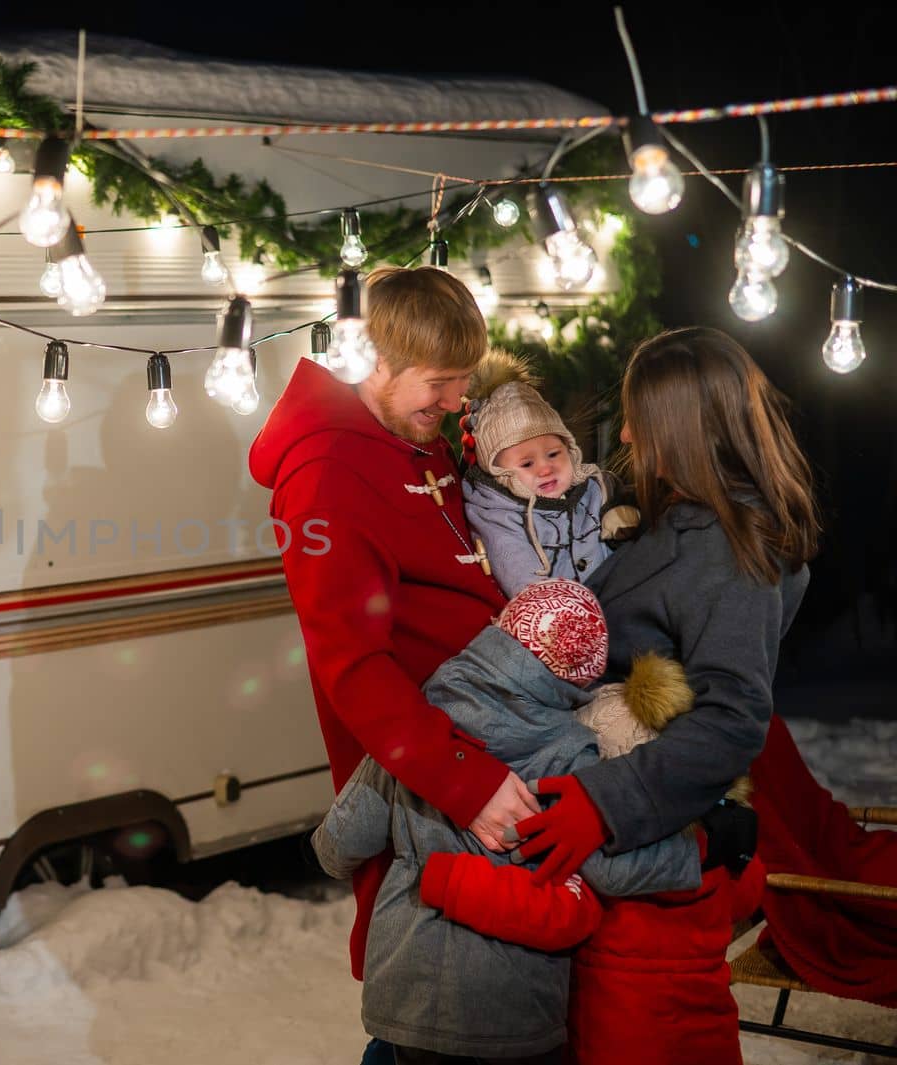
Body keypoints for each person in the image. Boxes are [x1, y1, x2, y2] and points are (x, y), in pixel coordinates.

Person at [513, 328, 897, 1007]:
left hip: (669, 787)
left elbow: (731, 713)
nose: (626, 436)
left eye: (638, 418)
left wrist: (607, 805)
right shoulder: (686, 526)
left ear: (678, 427)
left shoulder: (723, 549)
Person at [250, 267, 536, 1065]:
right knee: (433, 1009)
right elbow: (353, 667)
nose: (452, 400)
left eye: (460, 382)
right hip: (431, 790)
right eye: (438, 382)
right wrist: (464, 780)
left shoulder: (412, 437)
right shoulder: (328, 473)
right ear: (372, 357)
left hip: (482, 750)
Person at [311, 579, 701, 1065]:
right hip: (514, 1009)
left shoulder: (417, 725)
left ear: (500, 628)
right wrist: (700, 849)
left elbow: (338, 845)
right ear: (579, 682)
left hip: (408, 995)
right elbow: (611, 869)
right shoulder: (570, 756)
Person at [423, 653, 766, 1065]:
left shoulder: (601, 853)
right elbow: (748, 894)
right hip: (708, 1038)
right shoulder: (715, 852)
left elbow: (551, 914)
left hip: (617, 1044)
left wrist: (450, 878)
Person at [458, 352, 632, 597]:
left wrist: (621, 514)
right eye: (527, 464)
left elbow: (626, 507)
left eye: (553, 454)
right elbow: (523, 580)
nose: (545, 468)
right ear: (499, 473)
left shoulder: (595, 489)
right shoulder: (499, 516)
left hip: (616, 606)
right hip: (556, 621)